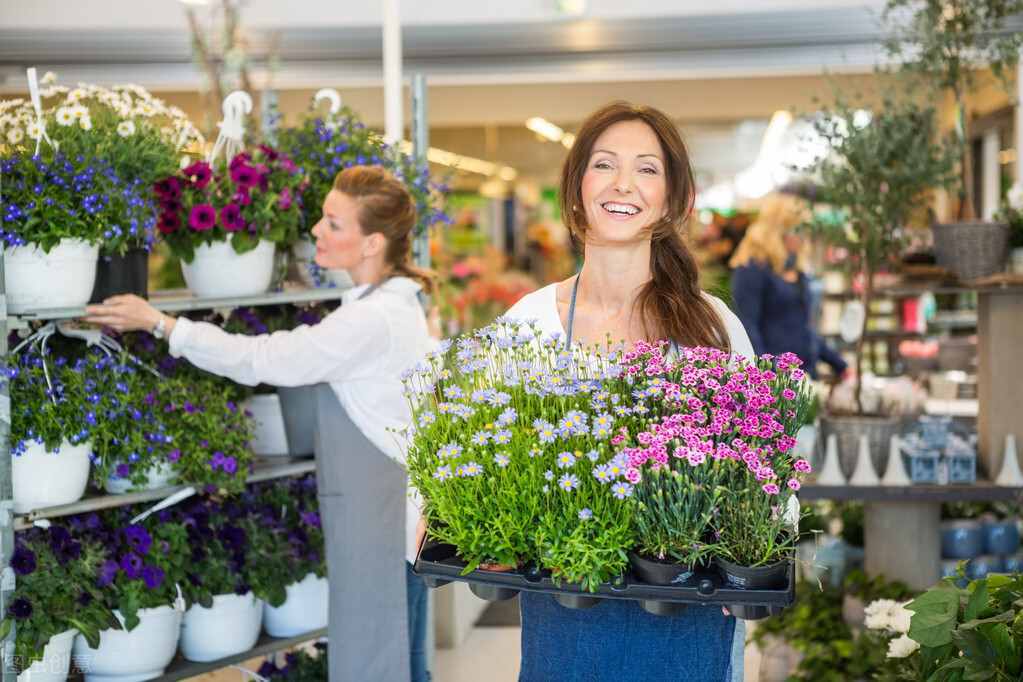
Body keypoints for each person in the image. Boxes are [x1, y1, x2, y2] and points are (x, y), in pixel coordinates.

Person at [85, 165, 435, 682]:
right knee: (395, 657)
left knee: (379, 662)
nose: (316, 229)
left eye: (334, 223)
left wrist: (162, 325)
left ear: (372, 243)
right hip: (381, 509)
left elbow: (267, 359)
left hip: (381, 516)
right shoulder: (387, 306)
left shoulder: (371, 319)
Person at [504, 102, 754, 682]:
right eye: (604, 165)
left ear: (670, 200)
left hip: (686, 616)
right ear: (577, 188)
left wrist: (755, 556)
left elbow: (763, 462)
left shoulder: (711, 325)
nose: (623, 184)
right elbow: (464, 449)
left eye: (647, 169)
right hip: (565, 610)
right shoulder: (530, 322)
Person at [729, 192, 847, 379]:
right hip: (777, 383)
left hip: (806, 375)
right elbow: (747, 329)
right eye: (799, 229)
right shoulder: (752, 269)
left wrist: (840, 365)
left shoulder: (797, 270)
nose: (804, 236)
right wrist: (768, 377)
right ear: (780, 229)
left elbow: (803, 329)